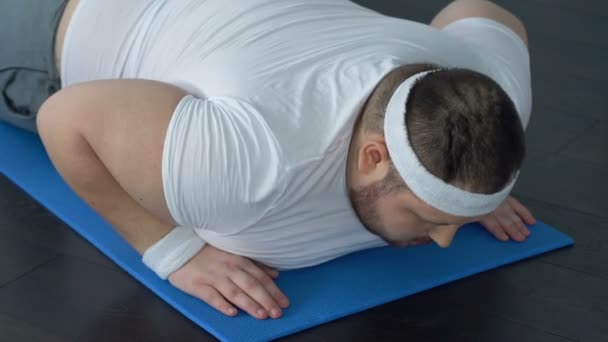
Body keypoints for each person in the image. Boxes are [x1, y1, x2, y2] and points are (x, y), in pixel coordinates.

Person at [1, 0, 537, 320]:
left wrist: (467, 190)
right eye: (429, 219)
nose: (445, 241)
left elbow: (482, 12)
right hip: (51, 24)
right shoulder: (253, 166)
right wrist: (172, 250)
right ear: (374, 156)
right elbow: (66, 119)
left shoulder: (491, 89)